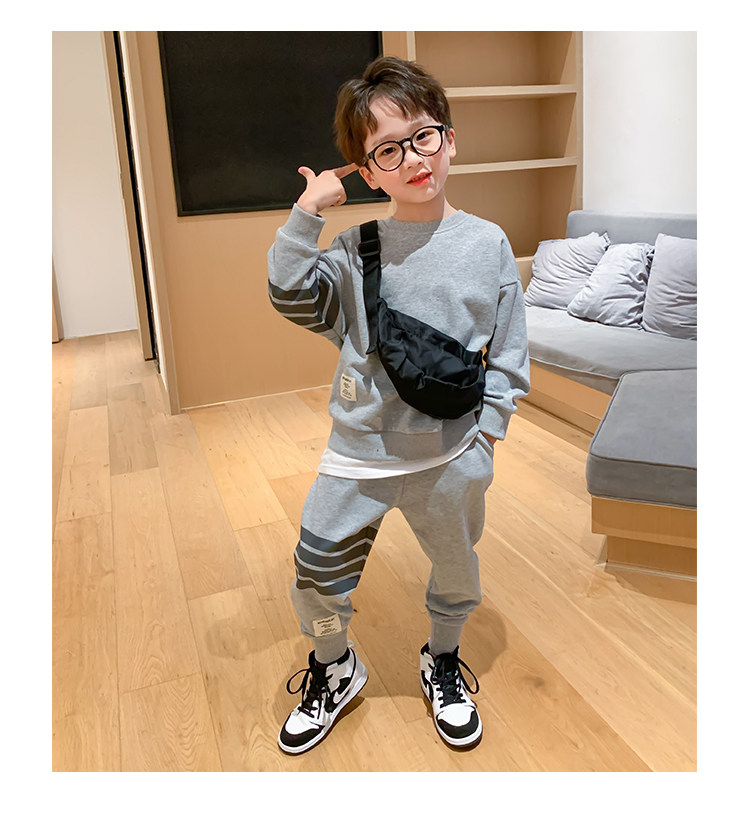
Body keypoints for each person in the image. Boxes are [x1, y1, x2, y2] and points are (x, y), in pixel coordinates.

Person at [267, 55, 530, 755]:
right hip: (357, 453)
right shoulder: (356, 250)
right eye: (388, 149)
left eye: (423, 136)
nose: (412, 158)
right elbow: (291, 294)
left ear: (450, 140)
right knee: (316, 575)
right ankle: (334, 666)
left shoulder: (488, 244)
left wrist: (487, 438)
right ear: (368, 171)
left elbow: (509, 353)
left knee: (456, 571)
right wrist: (305, 215)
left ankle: (442, 658)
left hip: (452, 454)